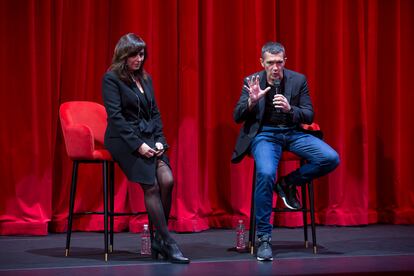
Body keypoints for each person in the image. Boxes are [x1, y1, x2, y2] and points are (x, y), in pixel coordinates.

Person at [232, 42, 339, 261]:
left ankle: (288, 183)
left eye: (279, 62)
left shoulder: (297, 80)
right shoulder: (252, 81)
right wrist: (252, 102)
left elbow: (309, 114)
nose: (275, 67)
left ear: (284, 61)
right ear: (262, 63)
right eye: (270, 63)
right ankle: (264, 238)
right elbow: (237, 116)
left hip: (292, 133)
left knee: (330, 158)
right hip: (264, 135)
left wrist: (292, 110)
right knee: (266, 173)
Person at [102, 33, 189, 264]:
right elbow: (116, 118)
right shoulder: (111, 79)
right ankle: (168, 242)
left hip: (148, 136)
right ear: (124, 55)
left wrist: (160, 141)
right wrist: (139, 146)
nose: (139, 59)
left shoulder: (145, 79)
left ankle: (159, 238)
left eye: (141, 54)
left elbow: (155, 113)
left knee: (167, 180)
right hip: (123, 139)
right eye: (134, 55)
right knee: (150, 186)